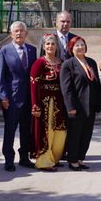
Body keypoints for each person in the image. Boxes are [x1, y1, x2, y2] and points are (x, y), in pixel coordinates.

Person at [0, 21, 37, 172]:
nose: (19, 33)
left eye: (22, 31)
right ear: (11, 34)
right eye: (16, 31)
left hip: (29, 98)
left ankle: (24, 157)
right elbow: (0, 76)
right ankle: (8, 159)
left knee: (27, 130)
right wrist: (3, 97)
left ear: (26, 34)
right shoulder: (4, 51)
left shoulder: (32, 50)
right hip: (12, 99)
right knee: (10, 130)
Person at [60, 36, 101, 171]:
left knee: (86, 134)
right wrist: (70, 107)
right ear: (71, 49)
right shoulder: (68, 64)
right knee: (75, 134)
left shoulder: (91, 62)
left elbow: (96, 84)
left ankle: (80, 159)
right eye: (77, 45)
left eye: (82, 45)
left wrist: (99, 102)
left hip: (90, 106)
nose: (80, 47)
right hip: (76, 106)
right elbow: (66, 89)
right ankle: (72, 161)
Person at [30, 34, 67, 171]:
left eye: (52, 44)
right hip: (44, 102)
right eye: (47, 44)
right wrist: (35, 105)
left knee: (59, 132)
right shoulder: (39, 62)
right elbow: (33, 85)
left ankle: (54, 158)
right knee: (46, 132)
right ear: (43, 46)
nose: (50, 46)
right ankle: (44, 161)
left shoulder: (61, 62)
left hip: (59, 101)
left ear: (57, 46)